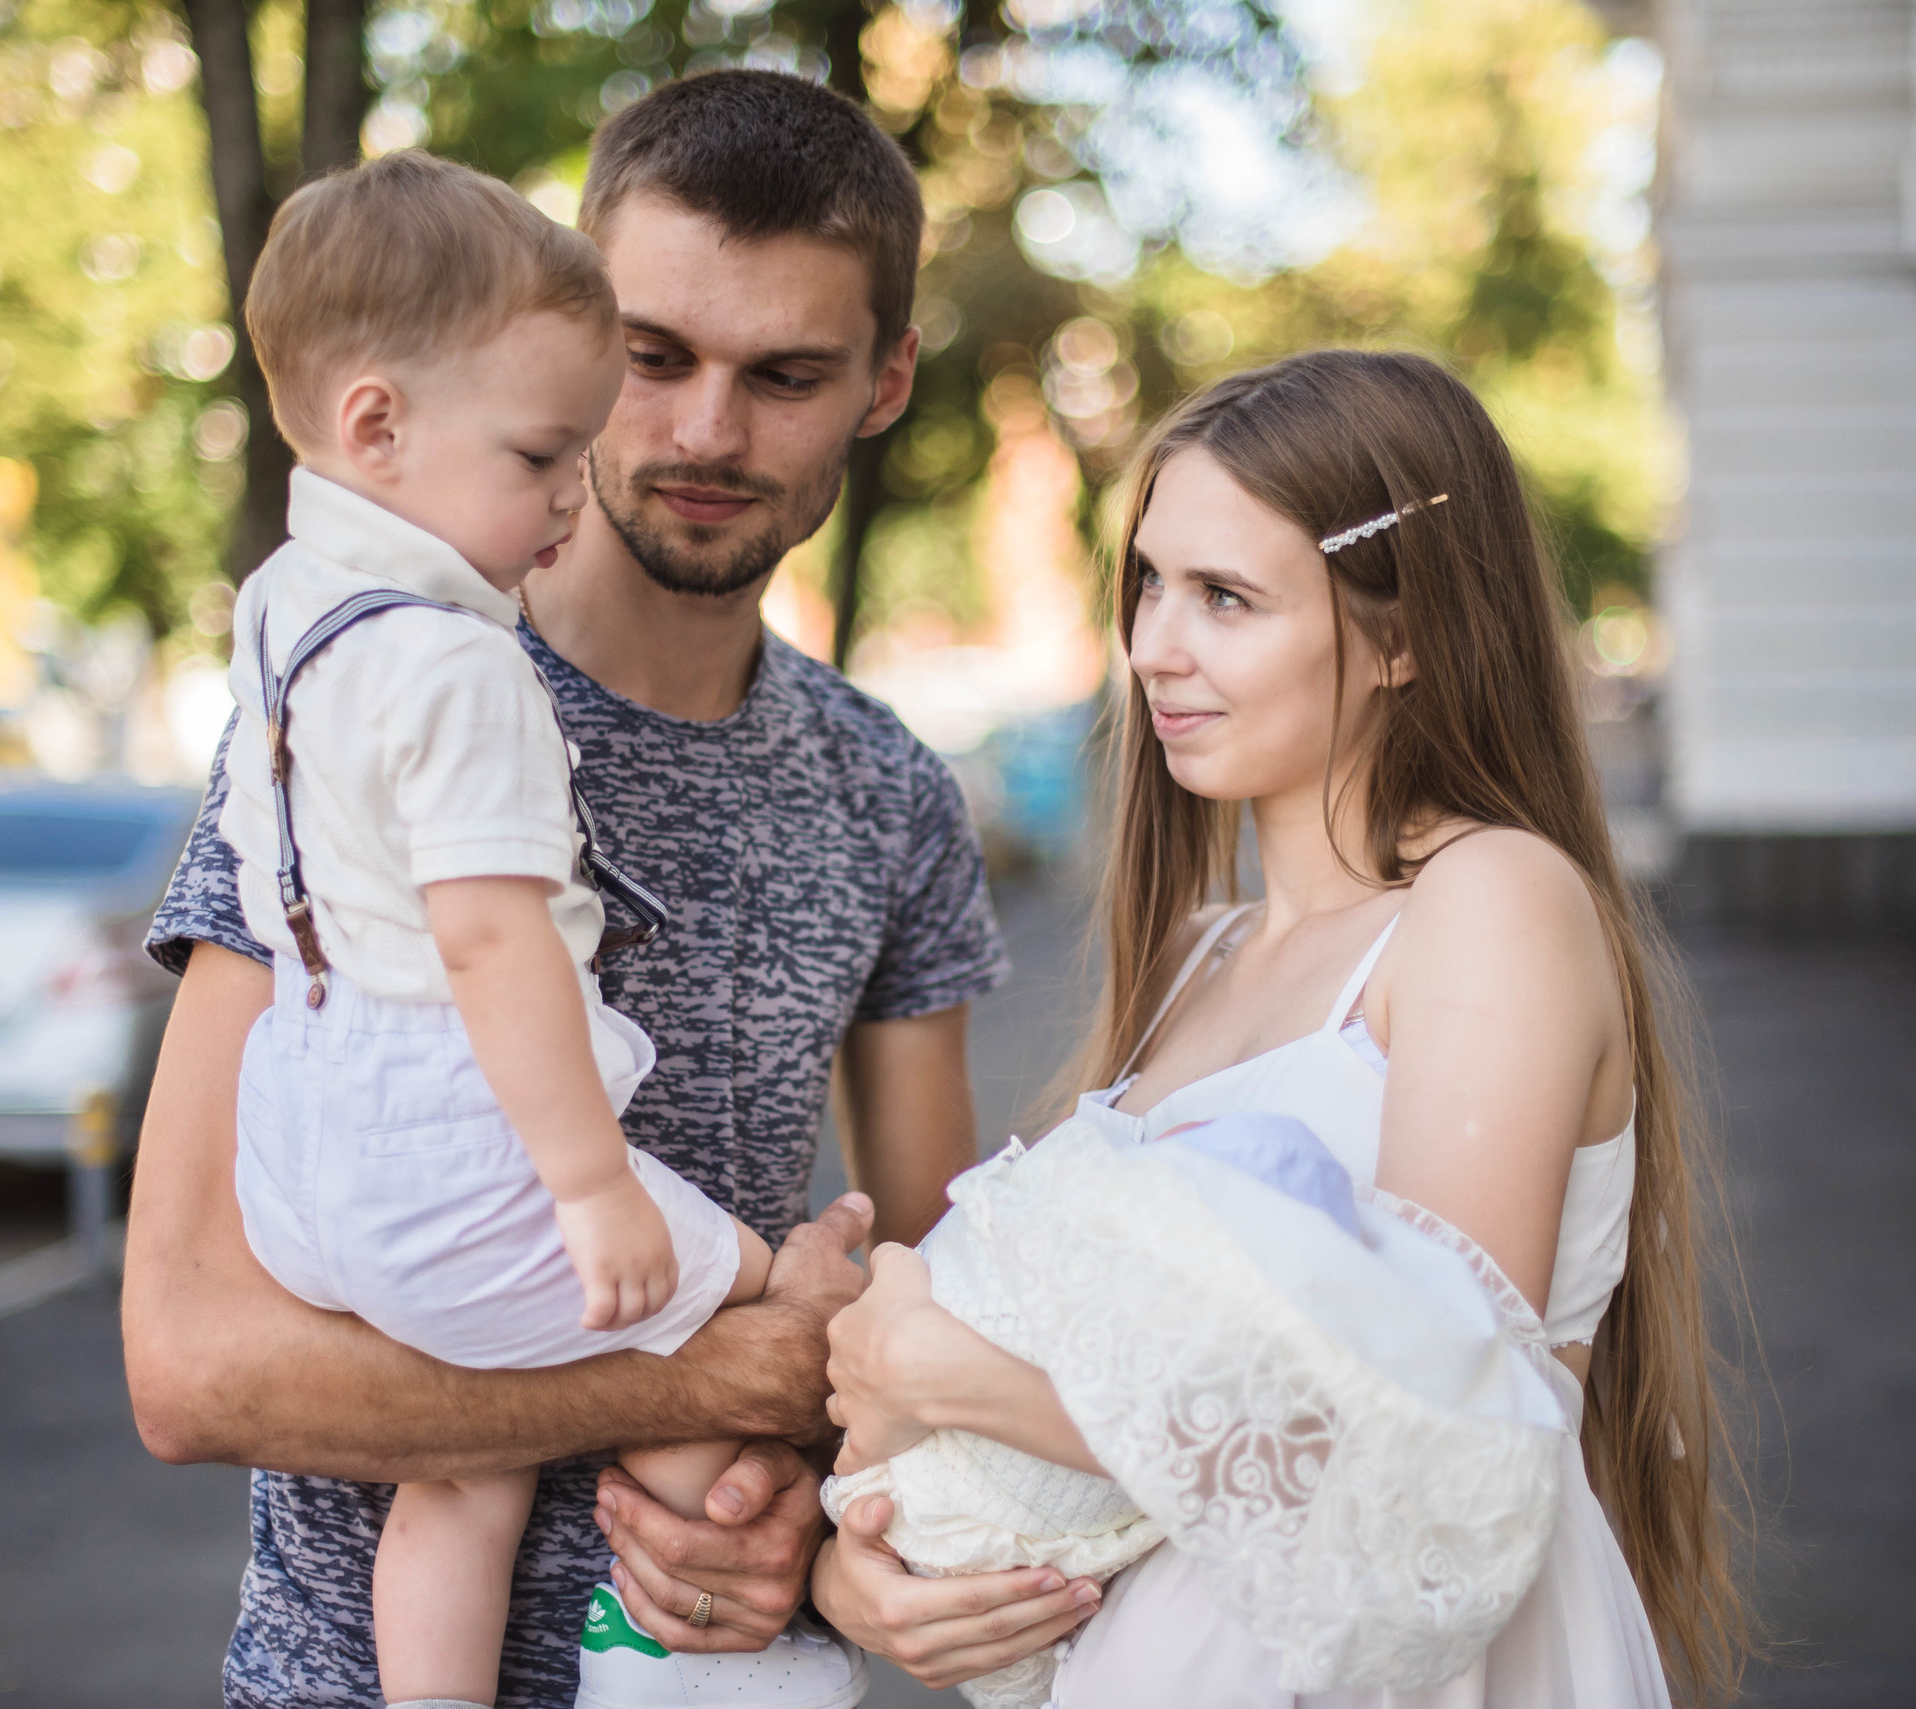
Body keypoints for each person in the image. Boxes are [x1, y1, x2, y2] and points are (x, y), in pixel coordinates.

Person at [126, 71, 1095, 1709]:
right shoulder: (368, 700)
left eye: (785, 374)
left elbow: (925, 1310)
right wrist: (719, 1369)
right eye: (654, 357)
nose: (706, 431)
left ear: (886, 381)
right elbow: (191, 1364)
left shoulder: (890, 793)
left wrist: (828, 1517)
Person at [813, 349, 1752, 1706]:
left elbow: (1433, 1443)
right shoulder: (1201, 958)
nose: (1153, 647)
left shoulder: (1488, 902)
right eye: (1147, 583)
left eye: (1226, 596)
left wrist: (956, 1376)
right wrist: (869, 1568)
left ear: (1401, 633)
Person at [214, 150, 795, 1709]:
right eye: (543, 455)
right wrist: (596, 1185)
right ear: (379, 425)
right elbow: (491, 940)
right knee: (744, 1290)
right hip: (447, 1149)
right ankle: (725, 1668)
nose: (567, 495)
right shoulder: (465, 666)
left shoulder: (284, 602)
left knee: (463, 1471)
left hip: (304, 1159)